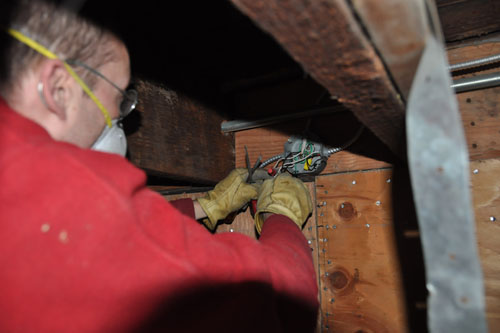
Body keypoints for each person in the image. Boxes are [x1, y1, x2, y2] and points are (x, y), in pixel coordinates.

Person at [0, 1, 318, 332]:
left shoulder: (23, 178)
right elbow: (281, 302)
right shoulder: (71, 194)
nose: (121, 118)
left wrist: (207, 206)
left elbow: (128, 239)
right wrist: (281, 215)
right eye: (119, 99)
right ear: (59, 89)